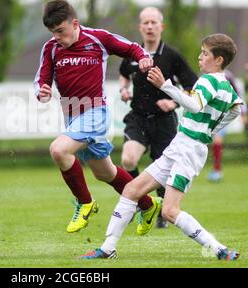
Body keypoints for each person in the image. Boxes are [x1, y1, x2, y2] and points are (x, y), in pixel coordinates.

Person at [81, 33, 242, 261]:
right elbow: (236, 109)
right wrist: (212, 130)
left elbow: (195, 105)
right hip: (182, 145)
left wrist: (165, 85)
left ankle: (219, 249)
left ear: (219, 60)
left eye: (205, 53)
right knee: (131, 190)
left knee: (169, 211)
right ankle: (107, 248)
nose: (200, 57)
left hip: (188, 150)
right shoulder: (226, 86)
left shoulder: (208, 80)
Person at [34, 0, 164, 235]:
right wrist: (42, 90)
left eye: (61, 31)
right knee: (105, 172)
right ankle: (148, 204)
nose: (57, 38)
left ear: (75, 23)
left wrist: (143, 57)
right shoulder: (51, 48)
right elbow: (42, 78)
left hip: (95, 113)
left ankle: (84, 203)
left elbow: (132, 47)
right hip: (72, 117)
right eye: (53, 33)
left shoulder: (97, 38)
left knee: (59, 150)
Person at [118, 7, 198, 228]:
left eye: (154, 22)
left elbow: (192, 87)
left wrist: (173, 102)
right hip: (138, 117)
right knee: (128, 160)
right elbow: (124, 74)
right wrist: (123, 90)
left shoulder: (172, 56)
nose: (150, 26)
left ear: (161, 27)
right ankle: (142, 203)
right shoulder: (133, 54)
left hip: (164, 121)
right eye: (146, 23)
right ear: (140, 27)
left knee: (162, 167)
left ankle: (163, 209)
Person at [208, 69, 247, 181]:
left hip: (222, 115)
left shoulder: (228, 76)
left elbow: (238, 96)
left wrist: (243, 113)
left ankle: (217, 170)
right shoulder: (204, 75)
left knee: (217, 140)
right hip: (207, 116)